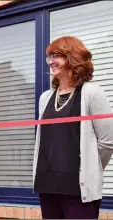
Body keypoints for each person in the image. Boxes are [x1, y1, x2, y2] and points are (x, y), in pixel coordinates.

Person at [33, 36, 113, 219]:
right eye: (50, 57)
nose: (51, 62)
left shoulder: (92, 93)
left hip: (78, 190)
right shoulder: (45, 98)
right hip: (47, 186)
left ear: (73, 58)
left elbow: (107, 142)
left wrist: (88, 167)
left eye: (57, 56)